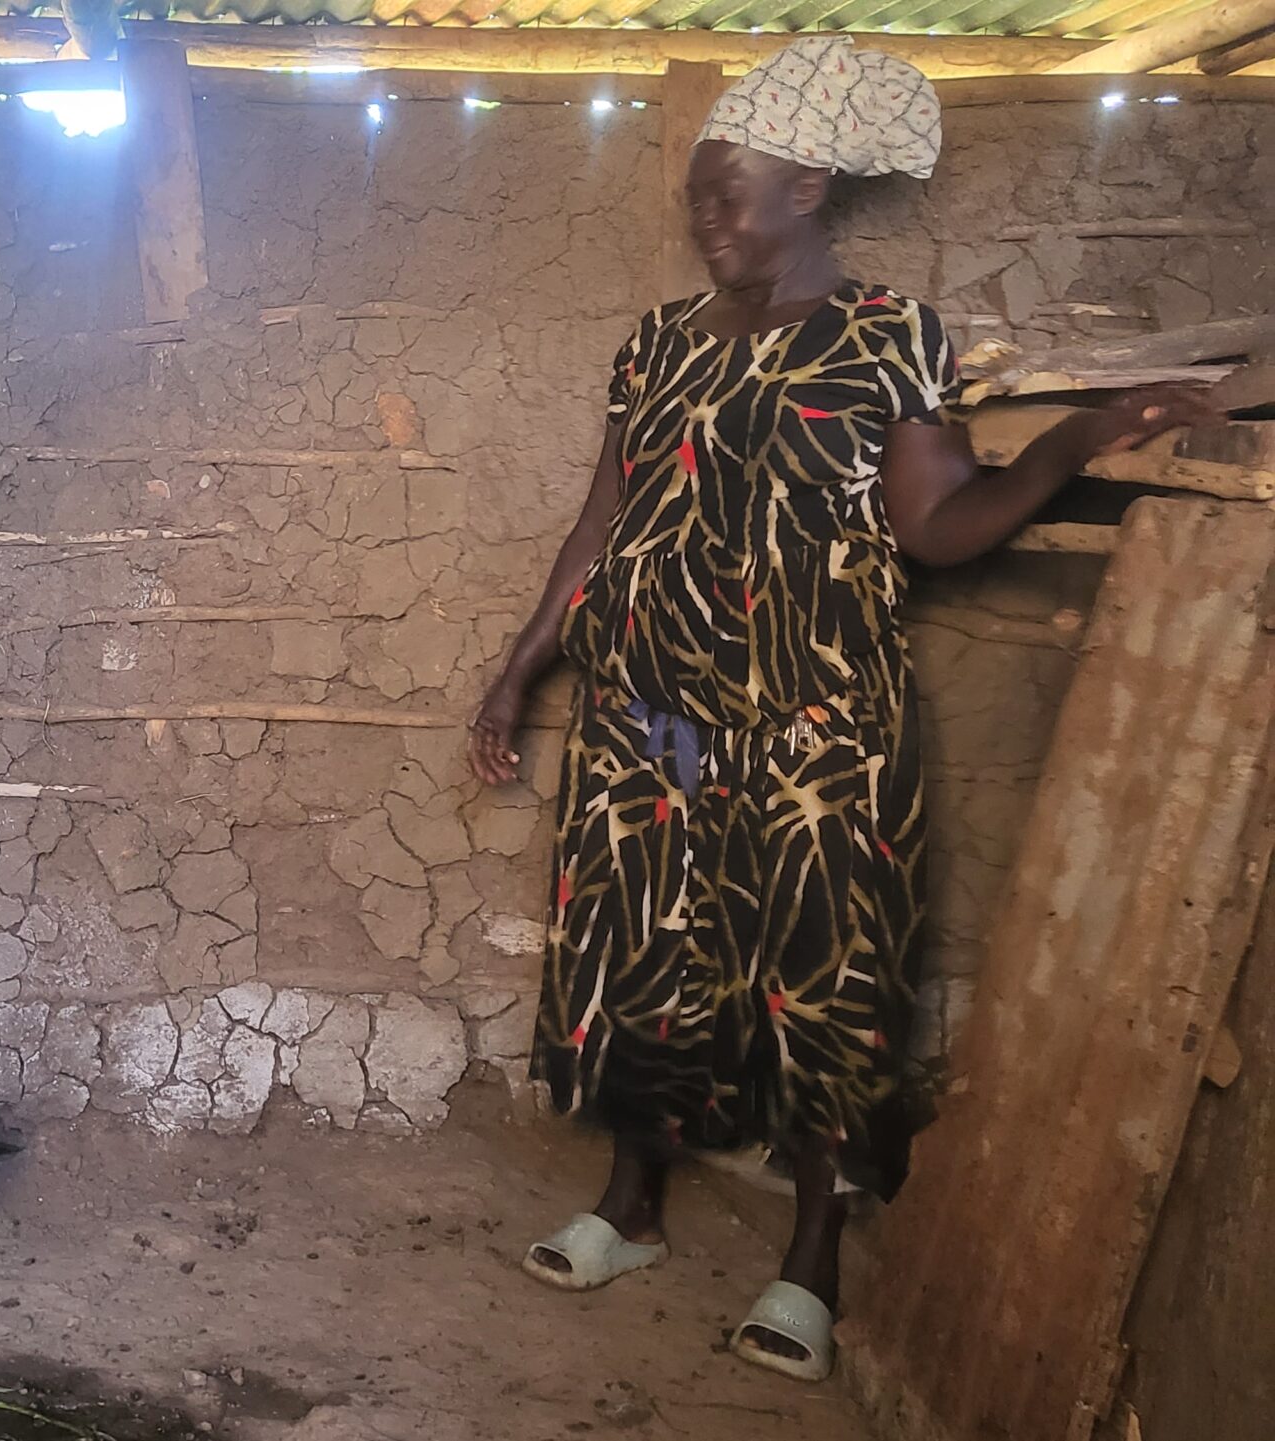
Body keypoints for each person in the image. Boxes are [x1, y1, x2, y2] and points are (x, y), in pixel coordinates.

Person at [467, 34, 1218, 1384]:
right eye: (696, 198)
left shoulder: (883, 336)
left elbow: (936, 528)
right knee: (641, 952)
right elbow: (606, 516)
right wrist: (523, 661)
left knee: (819, 972)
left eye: (727, 194)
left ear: (806, 185)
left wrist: (1062, 444)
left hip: (819, 728)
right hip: (653, 714)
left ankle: (809, 1254)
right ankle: (634, 1205)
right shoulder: (660, 345)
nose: (706, 223)